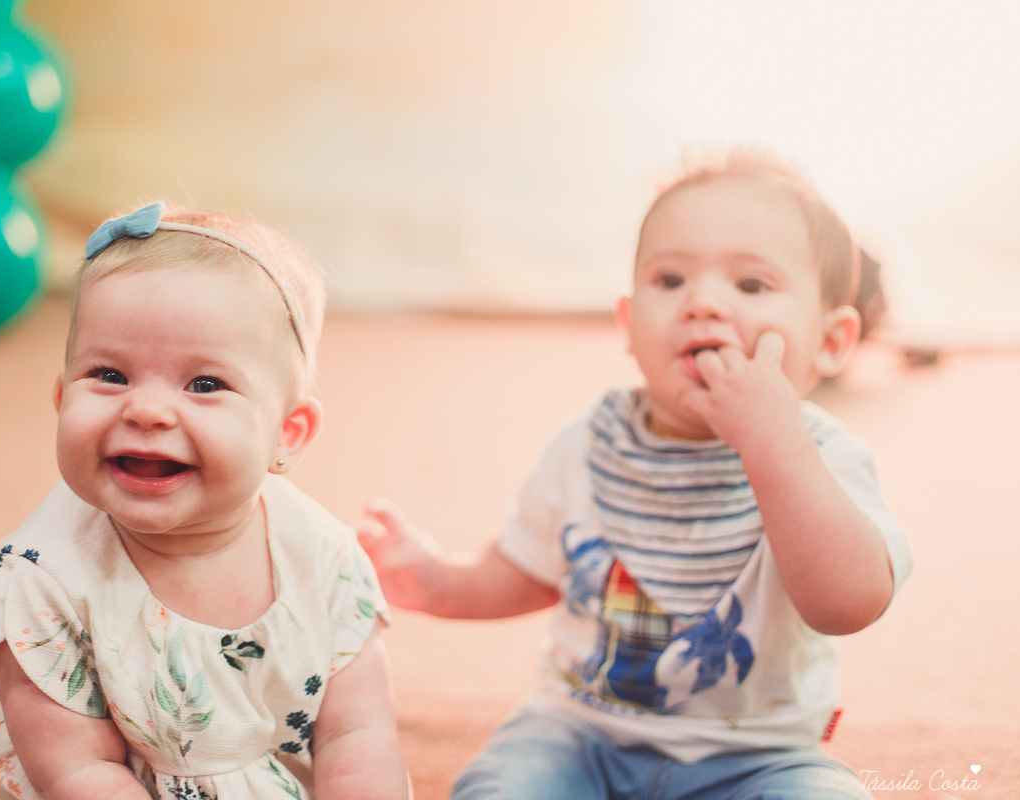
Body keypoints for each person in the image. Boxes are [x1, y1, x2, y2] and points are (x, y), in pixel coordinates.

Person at [357, 150, 911, 800]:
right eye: (670, 279)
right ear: (627, 324)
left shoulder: (826, 457)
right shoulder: (588, 443)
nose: (702, 302)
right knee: (502, 784)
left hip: (760, 755)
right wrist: (437, 582)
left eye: (752, 285)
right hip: (580, 735)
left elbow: (847, 604)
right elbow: (531, 568)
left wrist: (774, 443)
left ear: (832, 341)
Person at [0, 202, 408, 800]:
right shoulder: (40, 579)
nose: (146, 409)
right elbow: (77, 773)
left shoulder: (326, 560)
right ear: (61, 397)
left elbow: (358, 735)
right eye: (109, 375)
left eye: (205, 384)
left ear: (287, 433)